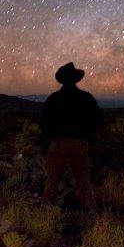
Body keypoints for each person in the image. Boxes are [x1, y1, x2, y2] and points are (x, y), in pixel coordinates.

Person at [40, 62, 103, 208]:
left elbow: (43, 122)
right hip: (79, 143)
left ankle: (44, 217)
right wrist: (86, 134)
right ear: (75, 79)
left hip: (58, 144)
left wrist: (52, 136)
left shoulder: (53, 98)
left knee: (52, 183)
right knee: (84, 183)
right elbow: (99, 120)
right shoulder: (86, 97)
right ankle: (92, 217)